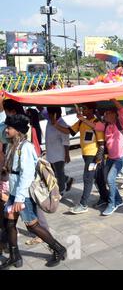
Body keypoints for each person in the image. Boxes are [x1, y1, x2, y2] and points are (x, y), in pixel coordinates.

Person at [0, 115, 66, 269]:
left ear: (17, 131)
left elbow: (27, 175)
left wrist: (20, 199)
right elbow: (14, 170)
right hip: (14, 192)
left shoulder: (26, 147)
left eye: (8, 128)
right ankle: (15, 257)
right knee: (9, 222)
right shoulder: (11, 146)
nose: (6, 130)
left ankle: (59, 249)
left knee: (32, 225)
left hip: (24, 195)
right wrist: (5, 173)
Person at [51, 103, 109, 214]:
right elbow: (69, 131)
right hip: (86, 155)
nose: (83, 111)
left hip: (94, 156)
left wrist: (99, 157)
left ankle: (83, 204)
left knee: (87, 179)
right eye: (82, 108)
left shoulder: (96, 123)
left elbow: (101, 143)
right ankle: (104, 198)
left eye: (85, 108)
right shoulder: (82, 122)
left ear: (92, 110)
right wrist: (55, 125)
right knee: (99, 178)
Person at [84, 99, 123, 216]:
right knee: (106, 178)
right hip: (111, 157)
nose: (106, 115)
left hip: (121, 156)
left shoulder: (122, 123)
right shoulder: (106, 126)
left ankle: (112, 203)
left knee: (110, 179)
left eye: (108, 113)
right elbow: (93, 125)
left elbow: (122, 109)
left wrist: (114, 99)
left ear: (115, 114)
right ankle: (119, 200)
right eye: (105, 113)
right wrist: (81, 118)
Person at [46, 107, 73, 194]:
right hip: (50, 152)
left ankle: (61, 191)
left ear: (55, 114)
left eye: (50, 114)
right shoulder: (49, 121)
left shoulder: (62, 124)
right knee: (53, 172)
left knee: (59, 173)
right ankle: (67, 179)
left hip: (59, 153)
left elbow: (66, 141)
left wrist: (67, 155)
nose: (48, 115)